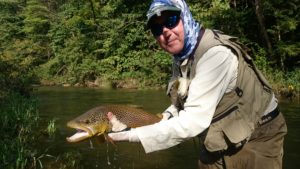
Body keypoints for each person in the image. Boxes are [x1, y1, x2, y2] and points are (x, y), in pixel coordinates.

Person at [107, 0, 287, 168]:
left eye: (171, 20)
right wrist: (160, 118)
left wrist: (132, 135)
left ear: (185, 17)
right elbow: (185, 102)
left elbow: (193, 121)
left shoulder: (215, 55)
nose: (165, 32)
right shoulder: (181, 58)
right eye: (156, 28)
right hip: (218, 134)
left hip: (259, 135)